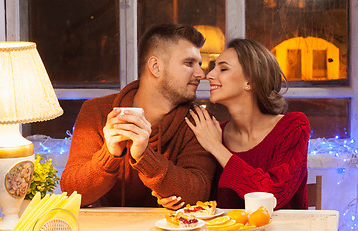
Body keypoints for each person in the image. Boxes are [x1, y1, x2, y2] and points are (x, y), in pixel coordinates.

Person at [60, 23, 217, 207]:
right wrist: (110, 154)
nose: (201, 73)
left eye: (198, 64)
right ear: (156, 67)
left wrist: (145, 156)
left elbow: (198, 195)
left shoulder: (197, 121)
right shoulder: (96, 111)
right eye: (188, 63)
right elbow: (71, 193)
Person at [153, 38, 310, 210]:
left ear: (250, 82)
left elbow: (272, 197)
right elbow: (201, 197)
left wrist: (217, 147)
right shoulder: (212, 132)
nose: (209, 75)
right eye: (214, 68)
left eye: (223, 69)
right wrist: (174, 196)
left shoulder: (293, 127)